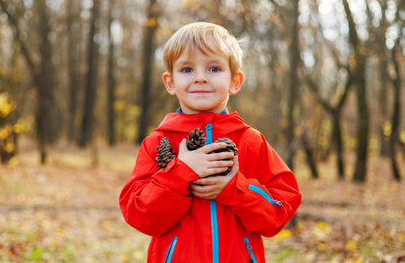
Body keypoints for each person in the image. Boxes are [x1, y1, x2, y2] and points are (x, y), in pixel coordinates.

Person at [119, 22, 301, 263]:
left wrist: (235, 189)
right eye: (187, 70)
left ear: (235, 81)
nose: (201, 78)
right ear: (170, 82)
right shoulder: (157, 142)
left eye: (214, 69)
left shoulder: (251, 141)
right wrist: (181, 172)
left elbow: (280, 210)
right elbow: (139, 214)